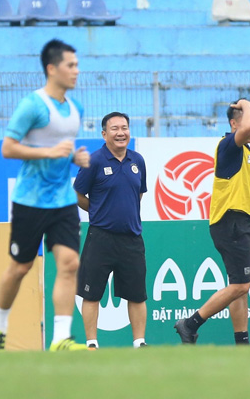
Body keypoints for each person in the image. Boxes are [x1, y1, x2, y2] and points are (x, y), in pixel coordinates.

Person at [0, 39, 90, 352]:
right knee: (20, 268)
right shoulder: (32, 105)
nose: (76, 71)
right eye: (70, 65)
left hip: (62, 200)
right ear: (51, 68)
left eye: (76, 64)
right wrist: (49, 151)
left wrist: (73, 158)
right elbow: (7, 148)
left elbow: (62, 147)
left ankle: (60, 338)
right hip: (30, 201)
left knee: (70, 263)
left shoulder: (75, 109)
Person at [174, 99, 250, 345]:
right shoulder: (229, 145)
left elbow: (245, 189)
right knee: (241, 285)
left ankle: (241, 342)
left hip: (239, 221)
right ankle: (190, 323)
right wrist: (246, 103)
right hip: (231, 222)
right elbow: (244, 130)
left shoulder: (245, 152)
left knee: (238, 286)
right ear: (234, 123)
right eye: (249, 121)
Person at [74, 112, 148, 349]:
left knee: (137, 294)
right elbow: (77, 194)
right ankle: (92, 343)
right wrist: (97, 211)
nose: (120, 133)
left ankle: (139, 342)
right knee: (91, 293)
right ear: (104, 134)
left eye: (124, 128)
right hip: (101, 238)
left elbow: (139, 194)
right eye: (114, 128)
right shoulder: (93, 161)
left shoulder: (138, 161)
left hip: (132, 238)